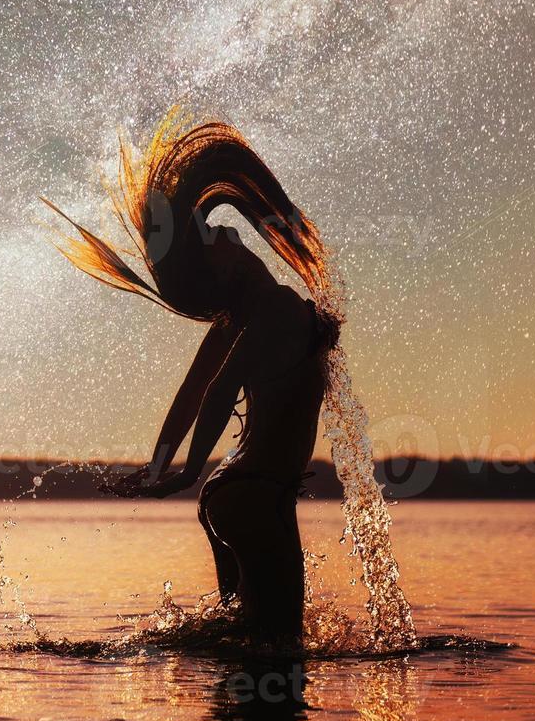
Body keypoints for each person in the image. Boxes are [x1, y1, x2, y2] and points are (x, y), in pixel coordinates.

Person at [42, 110, 340, 646]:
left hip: (240, 497)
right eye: (214, 235)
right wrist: (182, 474)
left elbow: (190, 395)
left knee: (245, 651)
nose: (226, 230)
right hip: (255, 498)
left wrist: (163, 467)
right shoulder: (270, 309)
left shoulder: (243, 318)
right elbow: (218, 392)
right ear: (221, 267)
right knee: (280, 653)